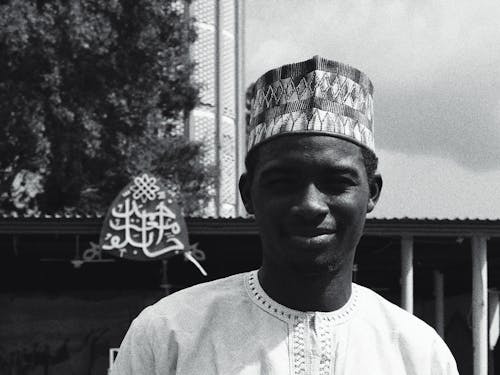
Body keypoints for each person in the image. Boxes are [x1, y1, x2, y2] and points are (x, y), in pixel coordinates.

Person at [111, 56, 459, 374]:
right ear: (248, 194)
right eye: (283, 182)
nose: (310, 204)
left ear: (372, 193)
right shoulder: (170, 334)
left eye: (336, 182)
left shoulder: (418, 354)